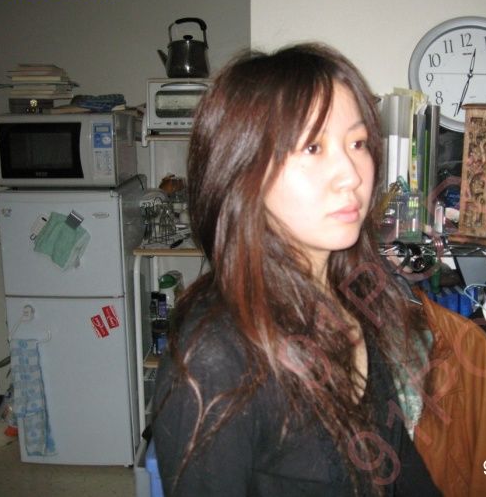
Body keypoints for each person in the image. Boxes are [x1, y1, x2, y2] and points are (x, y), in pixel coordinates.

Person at [151, 43, 441, 496]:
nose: (352, 174)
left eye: (357, 143)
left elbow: (399, 464)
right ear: (243, 170)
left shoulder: (353, 295)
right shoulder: (213, 359)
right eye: (312, 146)